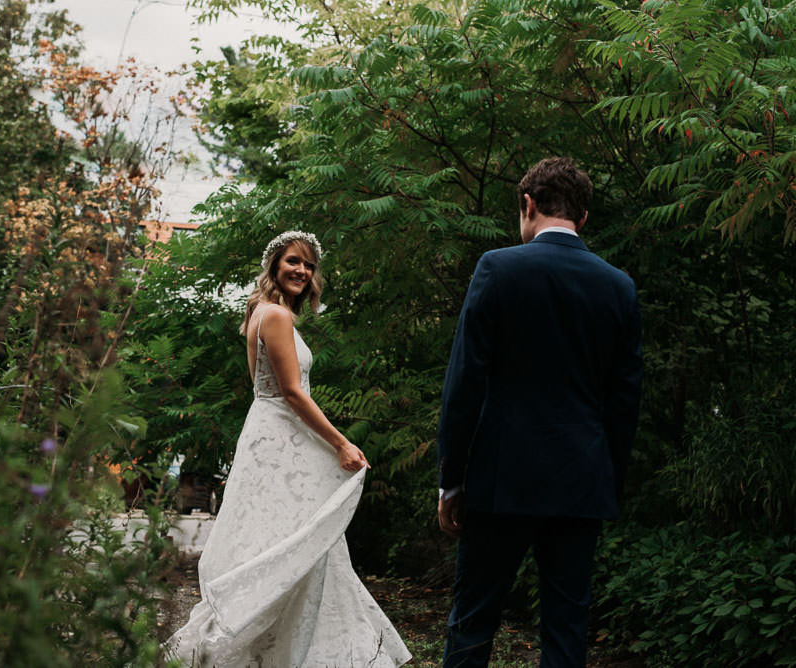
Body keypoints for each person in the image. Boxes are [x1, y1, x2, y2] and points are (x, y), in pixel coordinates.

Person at [164, 231, 411, 667]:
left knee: (283, 540)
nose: (302, 270)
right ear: (274, 265)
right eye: (293, 261)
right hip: (280, 438)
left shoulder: (259, 312)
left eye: (309, 265)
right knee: (291, 541)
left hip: (269, 435)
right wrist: (341, 443)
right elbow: (292, 393)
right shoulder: (275, 316)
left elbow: (267, 391)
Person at [436, 157, 643, 667]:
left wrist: (451, 480)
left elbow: (465, 382)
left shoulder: (498, 268)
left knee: (474, 620)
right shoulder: (619, 286)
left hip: (501, 480)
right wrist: (607, 485)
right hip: (581, 482)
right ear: (584, 218)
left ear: (527, 204)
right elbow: (624, 401)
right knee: (567, 628)